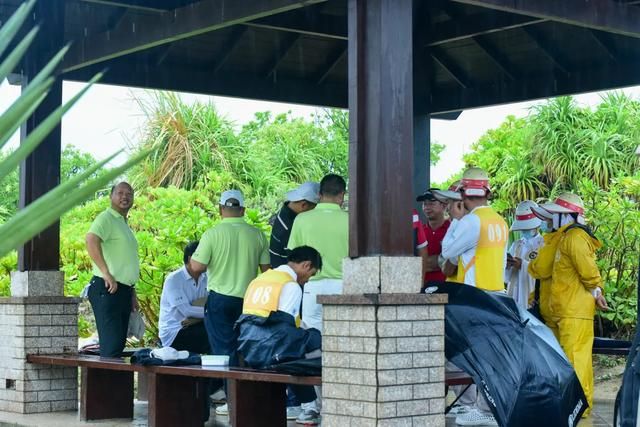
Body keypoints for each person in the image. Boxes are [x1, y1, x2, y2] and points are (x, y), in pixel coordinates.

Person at [189, 189, 270, 416]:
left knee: (224, 350)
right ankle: (253, 397)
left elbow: (195, 266)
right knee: (249, 347)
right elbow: (266, 271)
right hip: (250, 300)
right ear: (243, 210)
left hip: (220, 300)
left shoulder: (212, 234)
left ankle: (233, 401)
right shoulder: (257, 235)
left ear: (220, 209)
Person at [528, 192, 609, 416]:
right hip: (567, 310)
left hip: (575, 310)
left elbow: (587, 270)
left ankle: (580, 408)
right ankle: (572, 406)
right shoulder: (565, 237)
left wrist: (596, 290)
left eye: (555, 214)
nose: (550, 220)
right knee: (569, 360)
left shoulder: (574, 237)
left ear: (567, 216)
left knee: (577, 360)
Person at [441, 167, 508, 427]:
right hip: (497, 295)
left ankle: (483, 410)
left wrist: (455, 220)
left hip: (475, 297)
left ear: (462, 195)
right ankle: (487, 408)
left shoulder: (470, 221)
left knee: (473, 355)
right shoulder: (500, 221)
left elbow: (447, 251)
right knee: (491, 356)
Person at [287, 174, 348, 425]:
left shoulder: (302, 219)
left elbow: (294, 255)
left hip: (312, 287)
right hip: (346, 287)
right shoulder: (351, 219)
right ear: (342, 196)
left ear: (319, 195)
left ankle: (312, 405)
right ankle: (340, 401)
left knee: (313, 343)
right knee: (343, 343)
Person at [236, 246, 323, 418]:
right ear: (306, 265)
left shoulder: (259, 279)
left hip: (247, 346)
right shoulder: (290, 286)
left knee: (306, 336)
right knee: (316, 342)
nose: (307, 281)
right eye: (311, 274)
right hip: (271, 349)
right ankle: (310, 406)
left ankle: (304, 403)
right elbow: (288, 328)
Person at [267, 182, 320, 420]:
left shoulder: (283, 216)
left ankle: (294, 400)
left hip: (259, 336)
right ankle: (295, 401)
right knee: (296, 342)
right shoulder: (290, 222)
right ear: (303, 204)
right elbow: (287, 324)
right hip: (276, 325)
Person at [86, 182, 139, 358]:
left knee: (118, 345)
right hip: (107, 287)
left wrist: (132, 292)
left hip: (123, 290)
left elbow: (124, 261)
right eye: (120, 193)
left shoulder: (123, 223)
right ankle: (104, 385)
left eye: (129, 193)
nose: (125, 197)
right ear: (111, 196)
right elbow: (91, 240)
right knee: (111, 345)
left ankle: (113, 385)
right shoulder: (106, 218)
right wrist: (106, 273)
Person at [158, 241, 210, 354]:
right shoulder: (174, 279)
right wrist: (211, 313)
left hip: (196, 324)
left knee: (221, 329)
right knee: (213, 333)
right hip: (175, 332)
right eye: (206, 257)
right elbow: (187, 311)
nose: (209, 261)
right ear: (191, 258)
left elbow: (210, 303)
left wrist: (204, 315)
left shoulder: (207, 278)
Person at [269, 182, 320, 268]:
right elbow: (296, 261)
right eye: (314, 208)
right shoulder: (288, 227)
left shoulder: (286, 210)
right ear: (304, 205)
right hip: (284, 272)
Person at [504, 200, 544, 310]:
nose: (524, 231)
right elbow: (506, 277)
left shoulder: (543, 245)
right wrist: (507, 265)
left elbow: (543, 272)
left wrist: (523, 265)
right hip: (514, 293)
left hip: (531, 294)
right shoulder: (517, 245)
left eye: (527, 228)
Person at [415, 188, 453, 288]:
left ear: (444, 205)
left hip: (447, 289)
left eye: (431, 203)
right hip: (423, 288)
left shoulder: (453, 230)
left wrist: (422, 263)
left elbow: (453, 262)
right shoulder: (418, 231)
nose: (427, 207)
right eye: (424, 203)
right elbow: (412, 265)